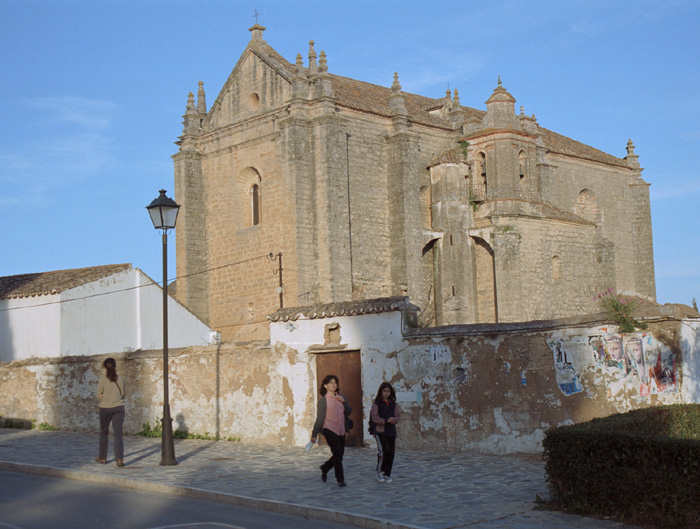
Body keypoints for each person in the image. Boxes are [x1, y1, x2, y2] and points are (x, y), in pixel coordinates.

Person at [311, 374, 351, 487]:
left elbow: (348, 412)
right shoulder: (324, 401)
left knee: (340, 454)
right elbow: (319, 419)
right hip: (329, 429)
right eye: (330, 383)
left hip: (341, 430)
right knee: (337, 454)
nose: (333, 385)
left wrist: (344, 401)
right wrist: (314, 435)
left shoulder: (341, 397)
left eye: (335, 382)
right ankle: (340, 479)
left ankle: (325, 467)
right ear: (325, 386)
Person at [96, 357, 126, 467]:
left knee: (104, 432)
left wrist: (104, 395)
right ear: (115, 366)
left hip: (105, 408)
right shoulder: (121, 378)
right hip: (119, 408)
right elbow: (123, 394)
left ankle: (102, 457)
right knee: (118, 434)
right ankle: (119, 459)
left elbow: (99, 395)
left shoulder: (103, 378)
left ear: (104, 367)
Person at [370, 382, 401, 483]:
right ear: (381, 391)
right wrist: (386, 420)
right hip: (380, 432)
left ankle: (387, 473)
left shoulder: (394, 404)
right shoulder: (376, 404)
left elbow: (397, 416)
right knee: (383, 451)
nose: (386, 393)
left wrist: (394, 420)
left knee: (391, 453)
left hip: (391, 431)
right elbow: (375, 418)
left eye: (388, 391)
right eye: (385, 391)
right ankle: (380, 472)